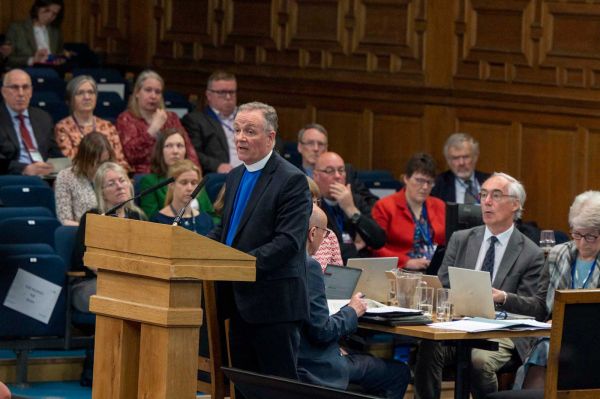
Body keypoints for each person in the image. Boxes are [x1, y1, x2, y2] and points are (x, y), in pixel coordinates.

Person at [414, 172, 545, 399]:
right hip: (458, 325)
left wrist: (503, 297)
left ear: (515, 205)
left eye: (496, 195)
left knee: (479, 360)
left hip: (501, 331)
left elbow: (536, 307)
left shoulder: (530, 253)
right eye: (483, 194)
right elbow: (442, 285)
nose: (486, 201)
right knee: (428, 346)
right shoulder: (461, 239)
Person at [206, 102, 311, 384]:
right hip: (236, 300)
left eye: (249, 131)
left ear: (270, 137)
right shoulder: (236, 174)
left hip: (273, 304)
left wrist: (239, 266)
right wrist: (194, 246)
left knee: (277, 389)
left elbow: (288, 242)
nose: (240, 137)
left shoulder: (292, 180)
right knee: (244, 386)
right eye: (237, 130)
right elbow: (227, 230)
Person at [297, 204, 410, 398]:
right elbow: (321, 331)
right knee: (399, 372)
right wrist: (352, 310)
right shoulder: (309, 266)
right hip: (316, 366)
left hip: (289, 361)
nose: (326, 238)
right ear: (313, 233)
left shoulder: (279, 261)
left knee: (363, 357)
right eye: (325, 233)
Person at [512, 190, 600, 390]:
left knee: (549, 349)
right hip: (554, 337)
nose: (582, 242)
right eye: (577, 234)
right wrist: (505, 298)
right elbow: (540, 306)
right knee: (546, 348)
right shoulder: (558, 254)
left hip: (593, 341)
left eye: (591, 236)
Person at [71, 162, 146, 314]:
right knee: (126, 292)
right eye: (111, 184)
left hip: (131, 283)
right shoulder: (93, 217)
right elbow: (85, 259)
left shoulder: (137, 216)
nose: (119, 186)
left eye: (122, 180)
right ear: (102, 192)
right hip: (91, 283)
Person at [372, 153, 445, 270]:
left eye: (429, 182)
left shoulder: (439, 205)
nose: (425, 187)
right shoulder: (385, 206)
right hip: (401, 271)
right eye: (419, 180)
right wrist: (406, 262)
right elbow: (375, 247)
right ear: (406, 178)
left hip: (435, 270)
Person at [116, 70, 199, 173]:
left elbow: (189, 150)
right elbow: (130, 156)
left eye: (157, 92)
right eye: (148, 90)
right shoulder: (126, 119)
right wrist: (153, 129)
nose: (153, 96)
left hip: (174, 173)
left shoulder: (171, 118)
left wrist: (195, 172)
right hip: (145, 175)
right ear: (137, 93)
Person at [312, 151, 386, 262]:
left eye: (341, 170)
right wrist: (355, 247)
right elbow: (320, 251)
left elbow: (379, 241)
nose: (337, 176)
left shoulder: (355, 200)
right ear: (316, 176)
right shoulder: (313, 206)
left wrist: (351, 210)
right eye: (330, 171)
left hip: (362, 267)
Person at [54, 75, 129, 169]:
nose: (87, 97)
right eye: (80, 93)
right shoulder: (63, 127)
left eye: (91, 92)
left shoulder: (108, 126)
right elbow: (71, 164)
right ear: (71, 99)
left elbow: (120, 161)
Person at [139, 128, 215, 220]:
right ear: (160, 151)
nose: (175, 151)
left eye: (180, 146)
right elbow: (150, 219)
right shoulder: (150, 182)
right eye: (169, 146)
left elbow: (212, 216)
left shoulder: (194, 178)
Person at [0, 68, 60, 175]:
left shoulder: (43, 117)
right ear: (4, 92)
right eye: (14, 87)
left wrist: (59, 166)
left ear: (31, 92)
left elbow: (54, 152)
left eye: (25, 87)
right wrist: (24, 169)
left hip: (45, 176)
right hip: (12, 178)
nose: (21, 93)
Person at [182, 70, 239, 173]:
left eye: (231, 92)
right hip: (222, 176)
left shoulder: (248, 117)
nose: (228, 97)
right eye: (222, 92)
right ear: (209, 95)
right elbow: (192, 153)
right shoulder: (195, 120)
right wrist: (216, 166)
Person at [54, 132, 114, 226]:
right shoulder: (65, 177)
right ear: (84, 159)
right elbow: (64, 220)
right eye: (98, 163)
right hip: (80, 233)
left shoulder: (113, 174)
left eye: (105, 162)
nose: (102, 168)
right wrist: (91, 228)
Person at [151, 159, 214, 235]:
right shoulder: (158, 220)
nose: (189, 188)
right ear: (171, 185)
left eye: (194, 183)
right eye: (184, 183)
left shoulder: (206, 220)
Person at [430, 133, 490, 204]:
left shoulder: (491, 181)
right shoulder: (438, 185)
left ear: (475, 157)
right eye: (455, 158)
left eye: (466, 157)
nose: (461, 163)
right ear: (448, 161)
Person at [5, 0, 65, 67]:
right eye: (47, 10)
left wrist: (60, 60)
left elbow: (60, 54)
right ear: (37, 8)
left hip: (52, 69)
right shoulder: (17, 29)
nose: (49, 16)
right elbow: (8, 59)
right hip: (27, 70)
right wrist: (32, 60)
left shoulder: (55, 32)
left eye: (54, 14)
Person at [307, 176, 343, 270]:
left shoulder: (329, 235)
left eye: (315, 202)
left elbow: (337, 274)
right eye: (309, 203)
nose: (314, 207)